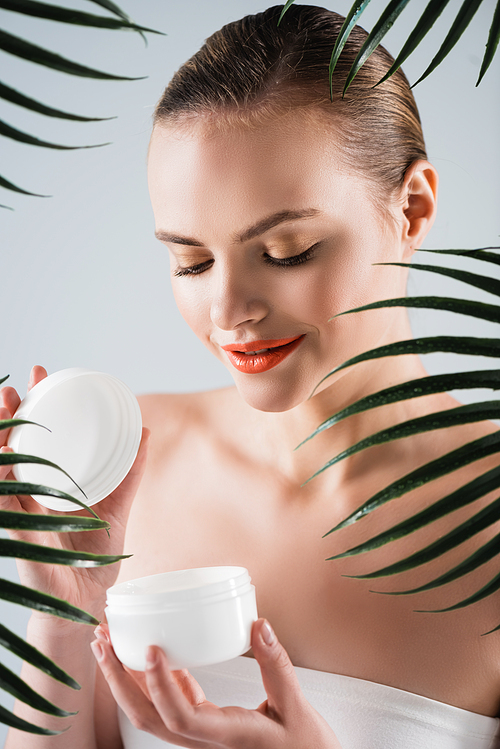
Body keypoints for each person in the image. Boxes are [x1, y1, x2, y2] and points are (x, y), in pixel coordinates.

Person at [2, 5, 500, 748]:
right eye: (191, 262)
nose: (228, 308)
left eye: (289, 249)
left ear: (413, 207)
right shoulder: (128, 472)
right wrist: (63, 613)